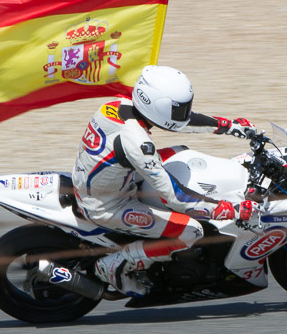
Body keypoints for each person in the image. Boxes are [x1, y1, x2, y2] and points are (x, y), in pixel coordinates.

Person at [70, 66, 257, 297]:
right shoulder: (138, 144)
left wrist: (228, 126)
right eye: (179, 108)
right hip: (107, 206)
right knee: (191, 231)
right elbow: (175, 197)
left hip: (110, 180)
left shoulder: (119, 106)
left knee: (181, 152)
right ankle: (115, 265)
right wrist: (224, 209)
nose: (185, 112)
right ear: (156, 105)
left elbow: (180, 122)